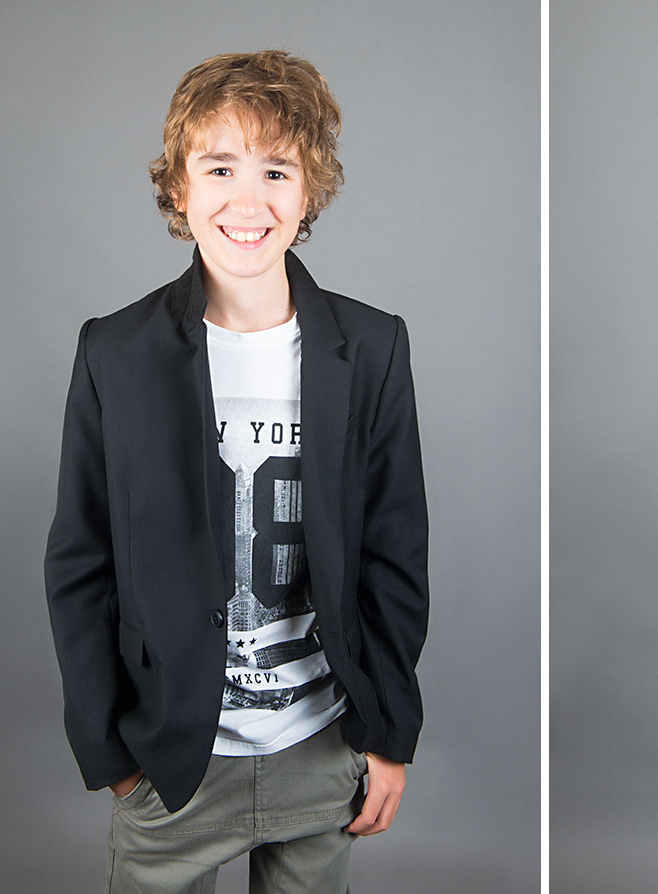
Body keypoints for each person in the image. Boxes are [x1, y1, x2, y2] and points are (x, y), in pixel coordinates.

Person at [44, 50, 429, 893]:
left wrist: (390, 733)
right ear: (180, 188)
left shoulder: (369, 348)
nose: (247, 200)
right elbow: (80, 561)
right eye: (219, 167)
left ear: (310, 191)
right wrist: (109, 754)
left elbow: (395, 556)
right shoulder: (117, 352)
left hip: (320, 749)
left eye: (277, 170)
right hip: (171, 762)